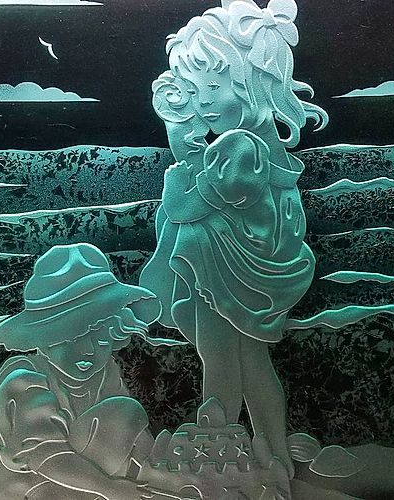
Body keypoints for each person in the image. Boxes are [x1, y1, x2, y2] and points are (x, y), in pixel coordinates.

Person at [140, 0, 328, 480]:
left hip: (228, 272)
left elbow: (185, 207)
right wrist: (180, 126)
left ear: (253, 84)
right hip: (242, 267)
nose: (202, 103)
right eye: (194, 90)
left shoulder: (237, 149)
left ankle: (217, 458)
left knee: (220, 360)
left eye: (212, 88)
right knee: (251, 360)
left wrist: (176, 164)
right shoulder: (256, 145)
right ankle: (273, 454)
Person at [0, 243, 187, 500]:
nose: (89, 350)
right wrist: (110, 488)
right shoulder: (24, 380)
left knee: (127, 410)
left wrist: (157, 477)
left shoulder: (104, 374)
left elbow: (133, 436)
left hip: (76, 477)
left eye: (102, 339)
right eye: (73, 338)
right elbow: (45, 455)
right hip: (10, 485)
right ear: (44, 339)